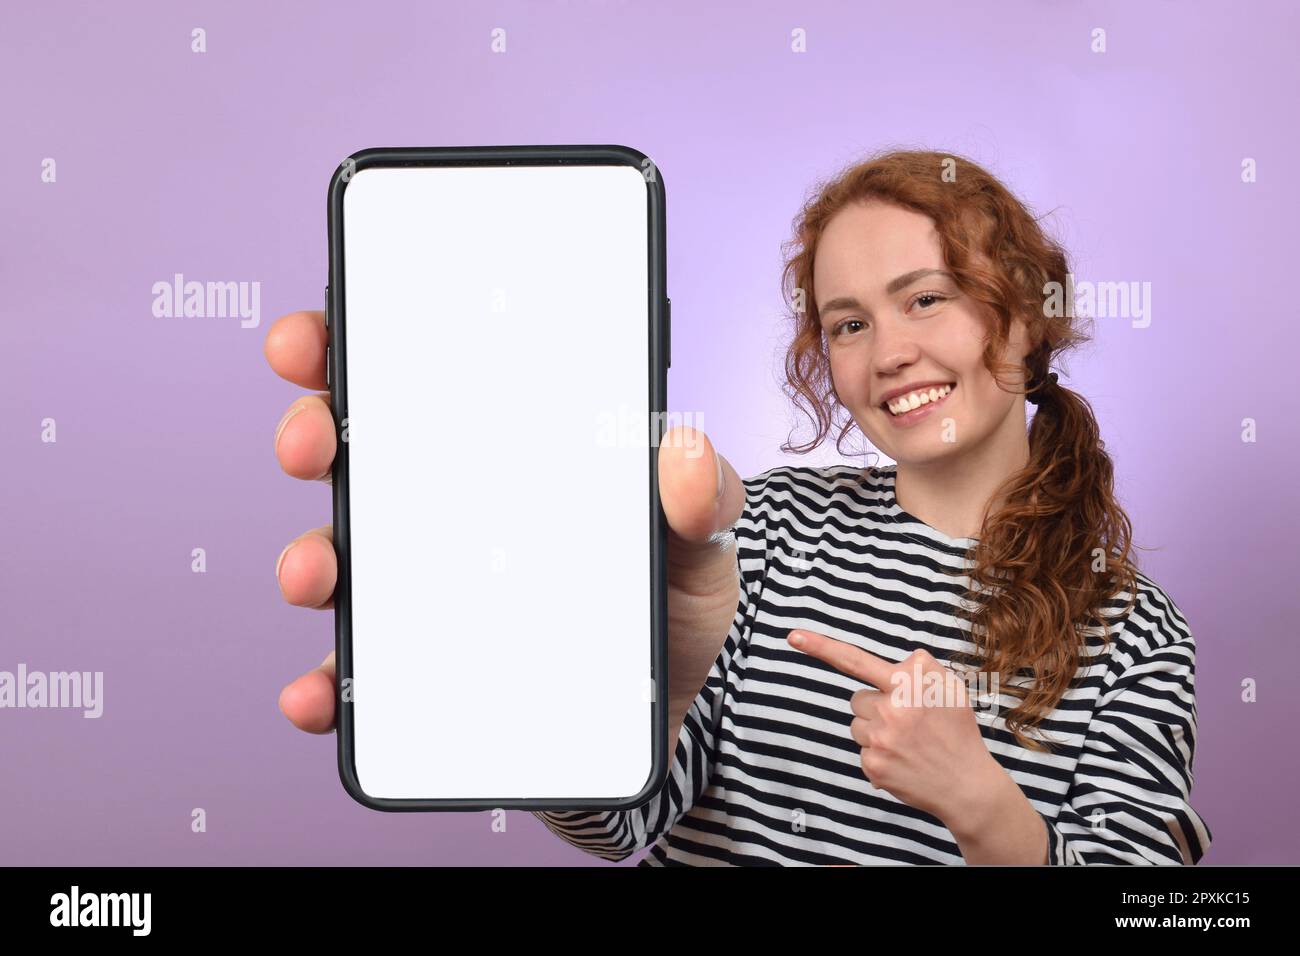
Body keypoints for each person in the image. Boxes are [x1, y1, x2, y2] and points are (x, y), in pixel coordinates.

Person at [266, 148, 1210, 866]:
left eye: (925, 298)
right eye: (849, 323)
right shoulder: (761, 527)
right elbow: (623, 823)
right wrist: (559, 674)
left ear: (1018, 311)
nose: (887, 353)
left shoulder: (1139, 635)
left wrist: (980, 801)